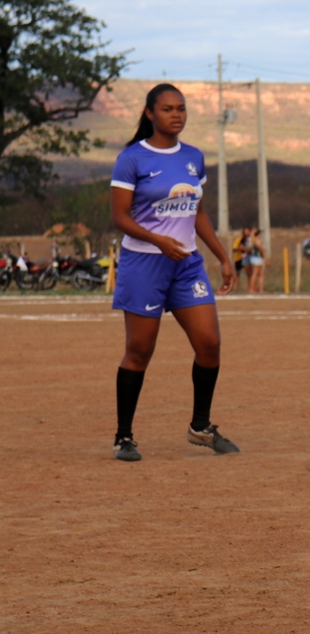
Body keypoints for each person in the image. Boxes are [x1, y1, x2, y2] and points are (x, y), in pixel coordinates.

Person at [108, 83, 239, 462]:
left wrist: (222, 256)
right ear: (150, 113)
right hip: (144, 264)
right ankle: (124, 437)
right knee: (139, 351)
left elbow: (197, 212)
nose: (176, 114)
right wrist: (158, 240)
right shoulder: (131, 159)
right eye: (167, 109)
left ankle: (200, 427)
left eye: (181, 108)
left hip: (186, 265)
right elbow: (119, 217)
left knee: (209, 343)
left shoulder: (194, 158)